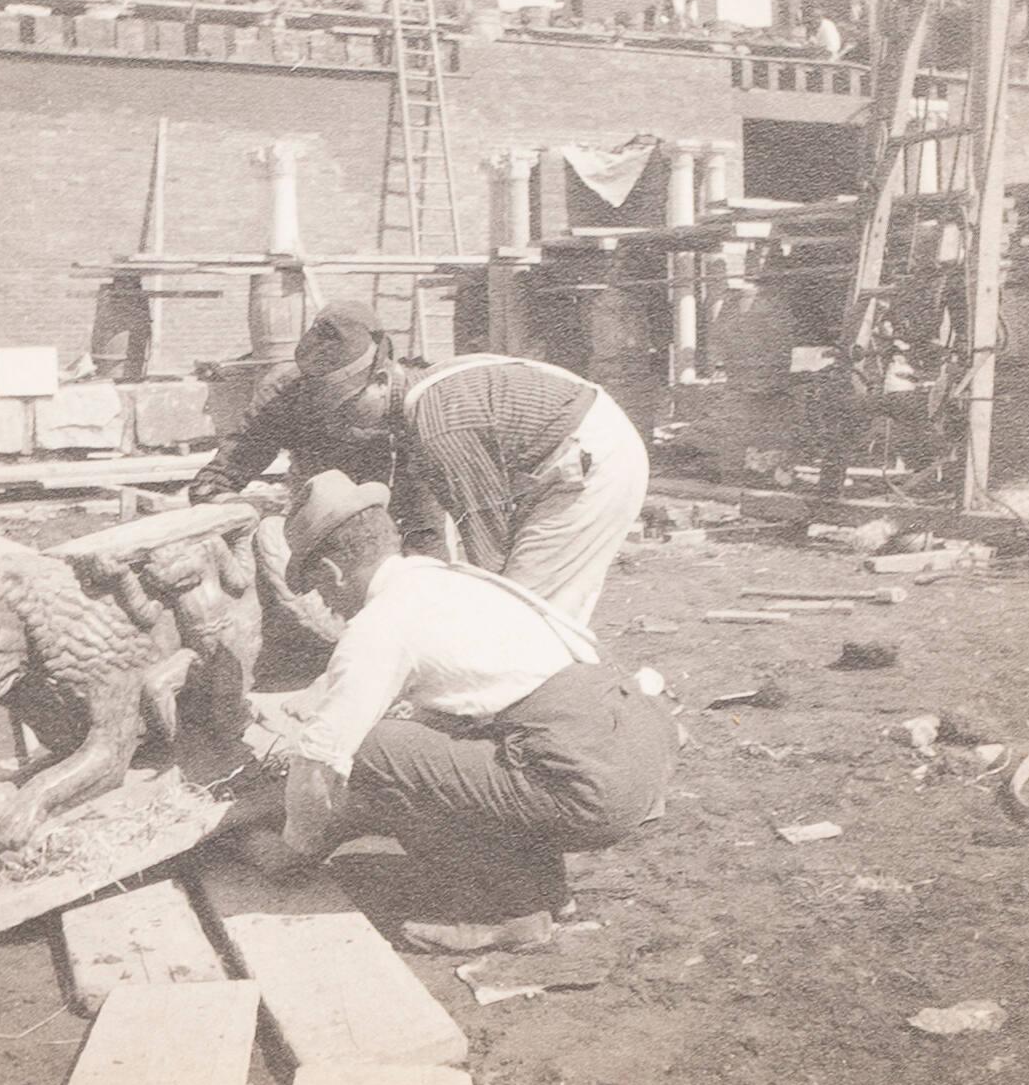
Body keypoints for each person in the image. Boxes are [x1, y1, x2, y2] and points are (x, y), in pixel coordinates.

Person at [249, 470, 680, 954]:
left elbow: (321, 757)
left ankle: (506, 912)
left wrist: (296, 846)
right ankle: (545, 894)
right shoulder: (449, 579)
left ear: (331, 572)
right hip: (637, 740)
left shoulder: (380, 623)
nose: (326, 605)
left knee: (376, 749)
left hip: (591, 778)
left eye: (319, 592)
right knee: (448, 744)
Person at [187, 301, 441, 677]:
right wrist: (226, 504)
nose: (336, 409)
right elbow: (221, 475)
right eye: (323, 394)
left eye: (346, 396)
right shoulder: (286, 395)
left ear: (378, 379)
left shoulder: (410, 397)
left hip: (399, 519)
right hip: (324, 526)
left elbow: (428, 526)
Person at [387, 352, 650, 627]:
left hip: (591, 462)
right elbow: (425, 526)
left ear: (381, 380)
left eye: (349, 405)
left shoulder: (441, 422)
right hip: (572, 450)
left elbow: (488, 544)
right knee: (525, 614)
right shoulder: (420, 394)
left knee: (516, 614)